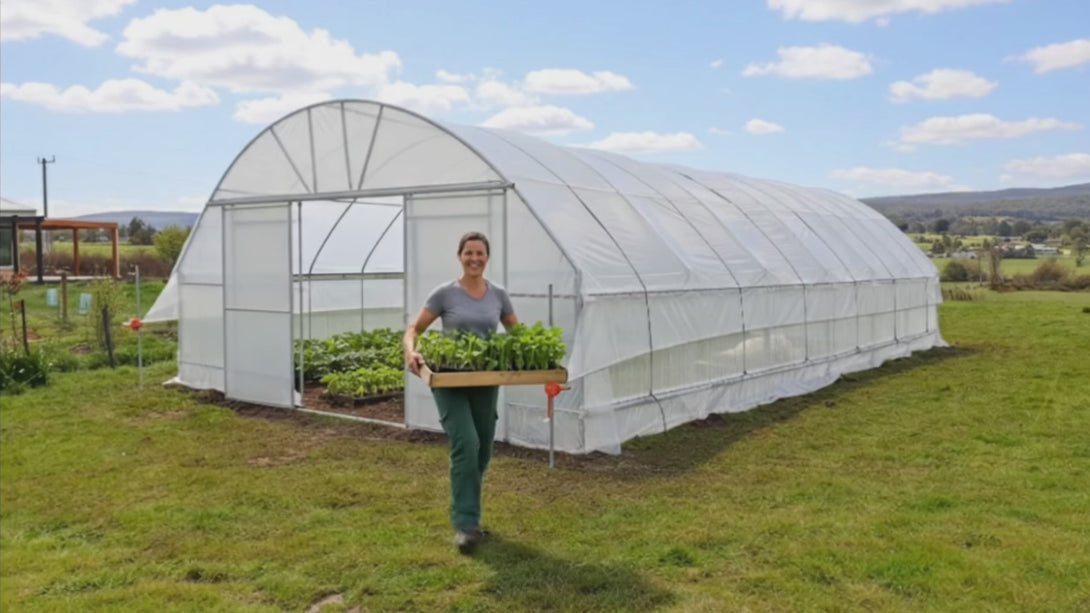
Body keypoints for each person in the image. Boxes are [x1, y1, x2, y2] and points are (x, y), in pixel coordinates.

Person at [403, 231, 518, 554]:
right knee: (466, 443)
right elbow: (414, 329)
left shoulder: (499, 295)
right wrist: (411, 352)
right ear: (460, 256)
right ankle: (465, 524)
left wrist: (535, 358)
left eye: (480, 253)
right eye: (469, 253)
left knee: (482, 451)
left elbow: (517, 333)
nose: (474, 259)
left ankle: (468, 510)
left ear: (487, 257)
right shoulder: (445, 294)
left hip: (484, 380)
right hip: (449, 379)